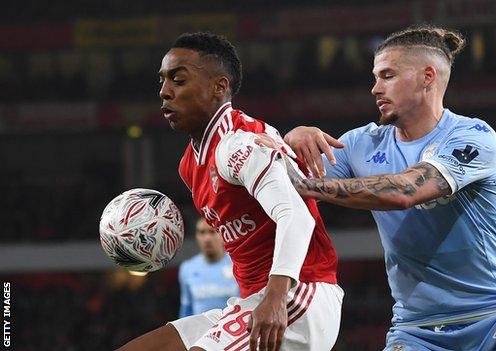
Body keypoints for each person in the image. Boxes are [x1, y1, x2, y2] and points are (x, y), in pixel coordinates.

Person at [281, 25, 496, 351]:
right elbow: (287, 176)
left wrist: (310, 186)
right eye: (375, 77)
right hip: (418, 329)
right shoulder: (360, 143)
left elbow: (405, 191)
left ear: (427, 77)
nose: (375, 88)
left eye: (387, 76)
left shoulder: (473, 136)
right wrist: (293, 139)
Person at [117, 32, 342, 351]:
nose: (165, 92)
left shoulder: (238, 145)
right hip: (251, 302)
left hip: (299, 294)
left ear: (219, 87)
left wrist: (276, 298)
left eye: (178, 80)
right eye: (163, 81)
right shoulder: (189, 164)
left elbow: (298, 215)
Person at [178, 218, 239, 318]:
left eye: (212, 232)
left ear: (222, 234)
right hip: (200, 332)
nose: (207, 238)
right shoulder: (187, 268)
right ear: (196, 237)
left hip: (232, 331)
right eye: (202, 232)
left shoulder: (238, 264)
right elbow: (186, 309)